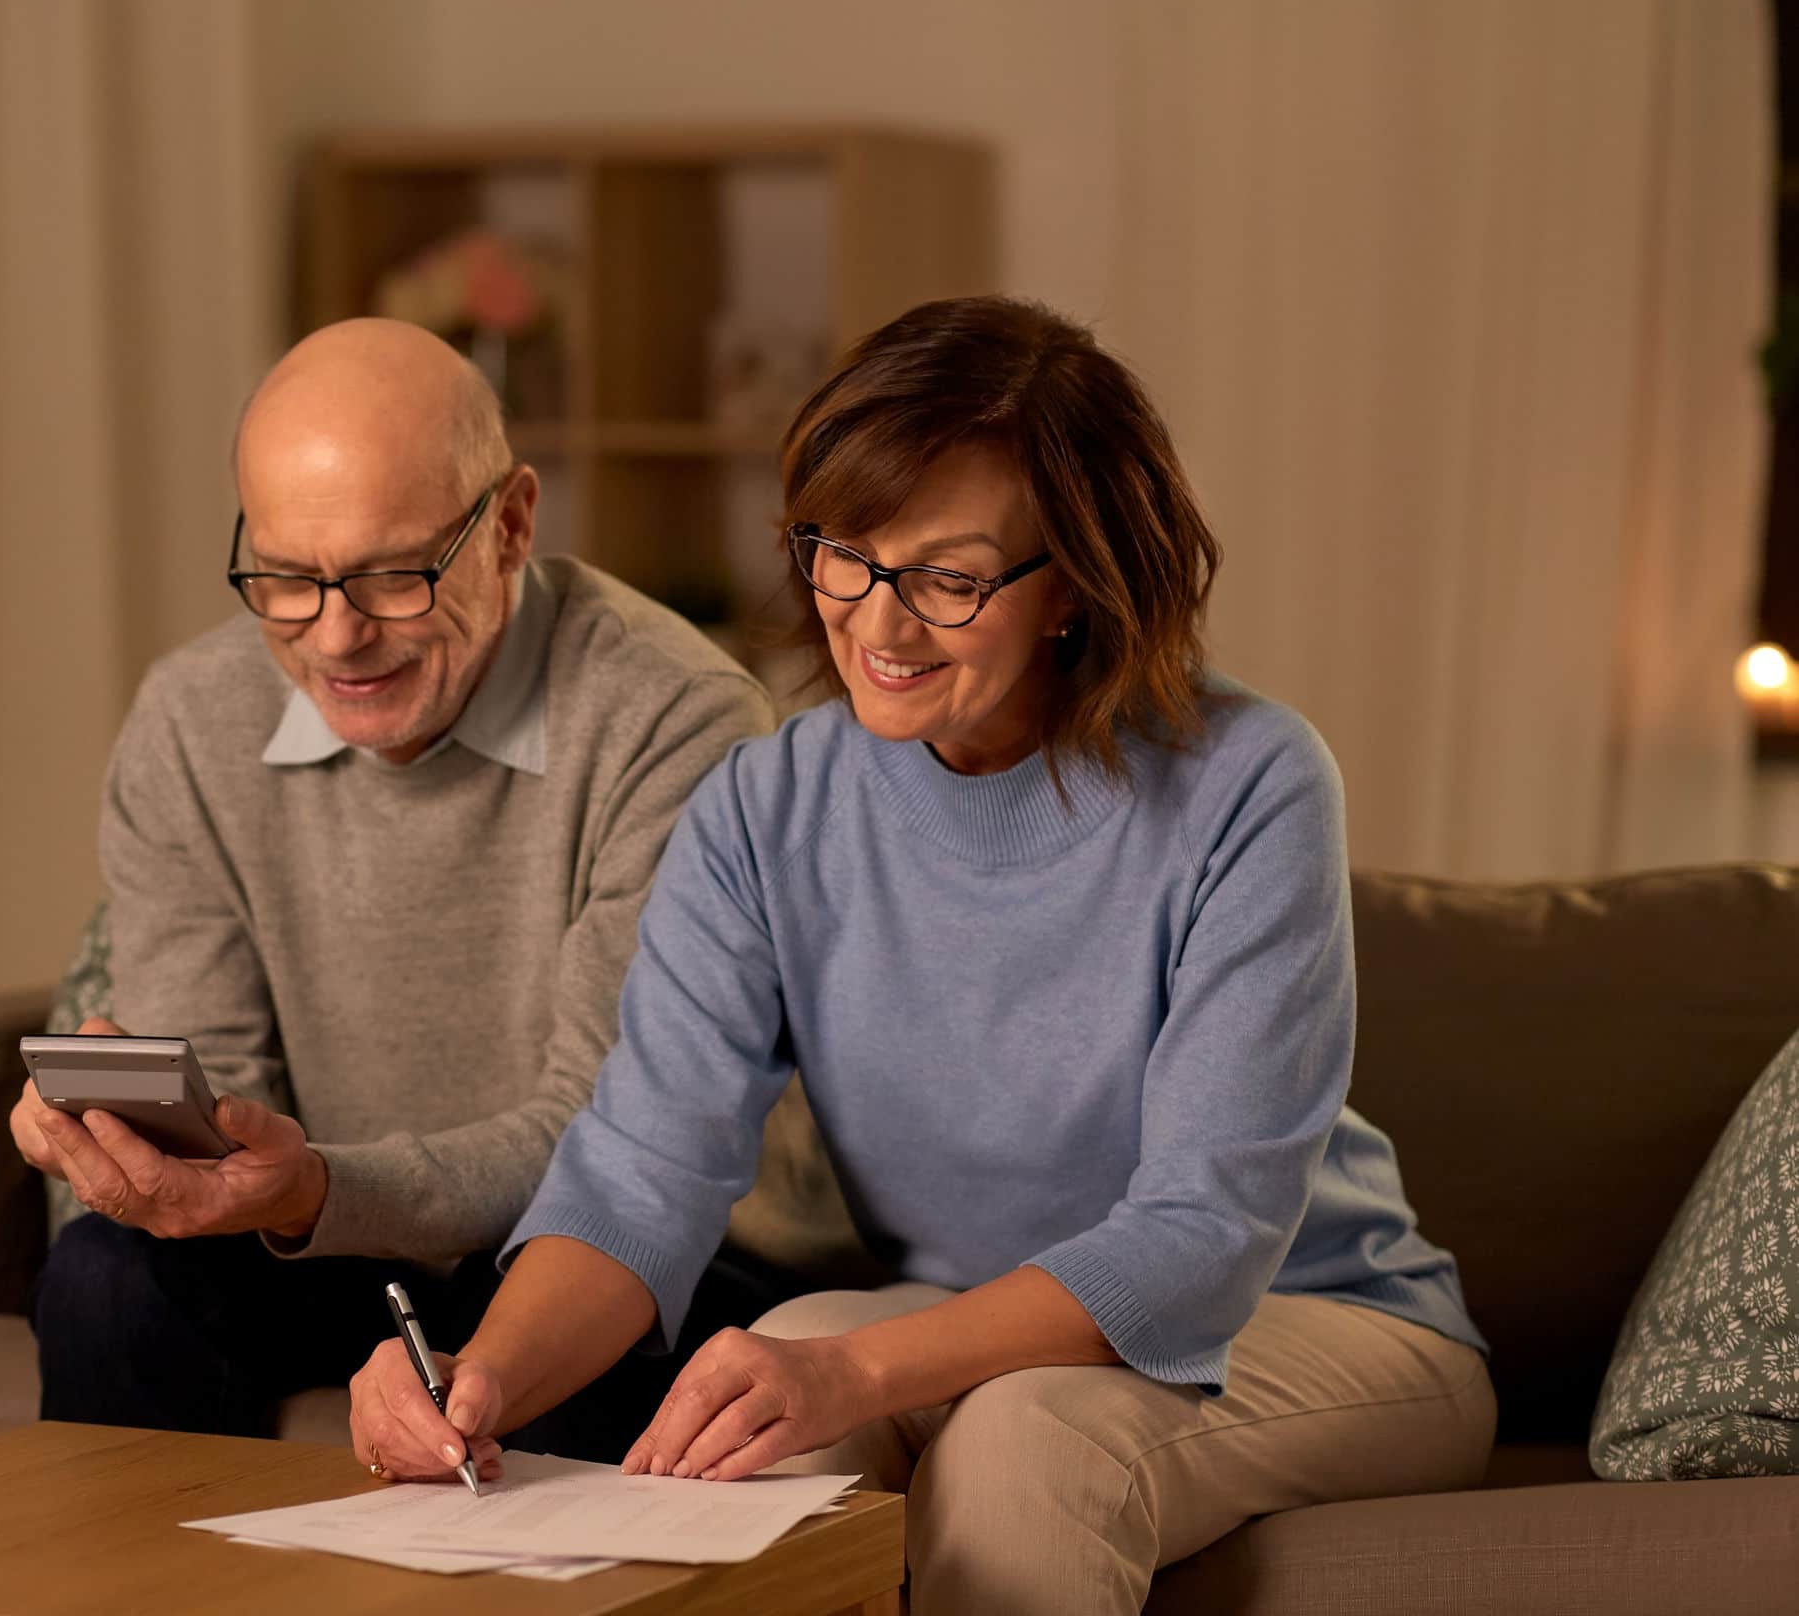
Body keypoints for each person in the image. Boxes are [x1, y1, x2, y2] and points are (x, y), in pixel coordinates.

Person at [346, 296, 1495, 1611]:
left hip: (1324, 1325)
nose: (878, 626)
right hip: (983, 1327)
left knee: (1021, 1433)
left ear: (1072, 577)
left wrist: (871, 1370)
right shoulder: (764, 813)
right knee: (769, 1370)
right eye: (843, 554)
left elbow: (1201, 1232)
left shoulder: (1252, 781)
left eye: (947, 579)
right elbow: (641, 1172)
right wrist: (476, 1379)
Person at [12, 317, 788, 1466]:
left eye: (391, 574)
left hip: (608, 1240)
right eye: (284, 578)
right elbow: (216, 1085)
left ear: (512, 523)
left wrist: (314, 1187)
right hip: (330, 1237)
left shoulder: (673, 721)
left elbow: (617, 1142)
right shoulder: (190, 719)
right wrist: (149, 1143)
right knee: (107, 1282)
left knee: (579, 1349)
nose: (337, 636)